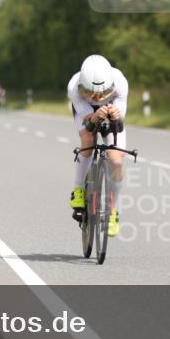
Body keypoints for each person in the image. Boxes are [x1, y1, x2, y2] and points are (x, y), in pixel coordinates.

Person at [68, 54, 129, 236]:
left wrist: (115, 115)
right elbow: (87, 118)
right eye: (91, 93)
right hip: (86, 114)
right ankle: (78, 189)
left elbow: (120, 118)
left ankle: (111, 211)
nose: (96, 97)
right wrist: (96, 115)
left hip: (111, 112)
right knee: (88, 140)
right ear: (81, 87)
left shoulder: (119, 82)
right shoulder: (73, 86)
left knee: (116, 161)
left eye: (101, 93)